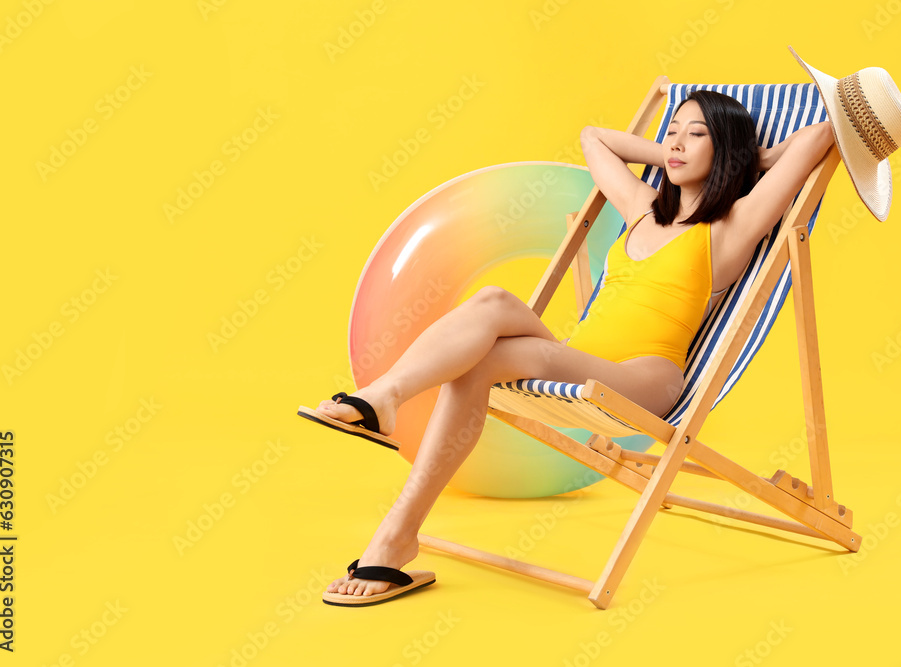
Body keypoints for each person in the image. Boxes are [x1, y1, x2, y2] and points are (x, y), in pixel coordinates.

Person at [311, 90, 835, 605]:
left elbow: (820, 134)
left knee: (487, 362)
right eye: (670, 131)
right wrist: (676, 151)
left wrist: (756, 158)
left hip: (643, 376)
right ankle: (385, 404)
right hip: (574, 356)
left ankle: (393, 523)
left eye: (695, 135)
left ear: (725, 150)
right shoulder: (645, 209)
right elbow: (594, 139)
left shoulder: (732, 227)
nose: (674, 144)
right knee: (493, 301)